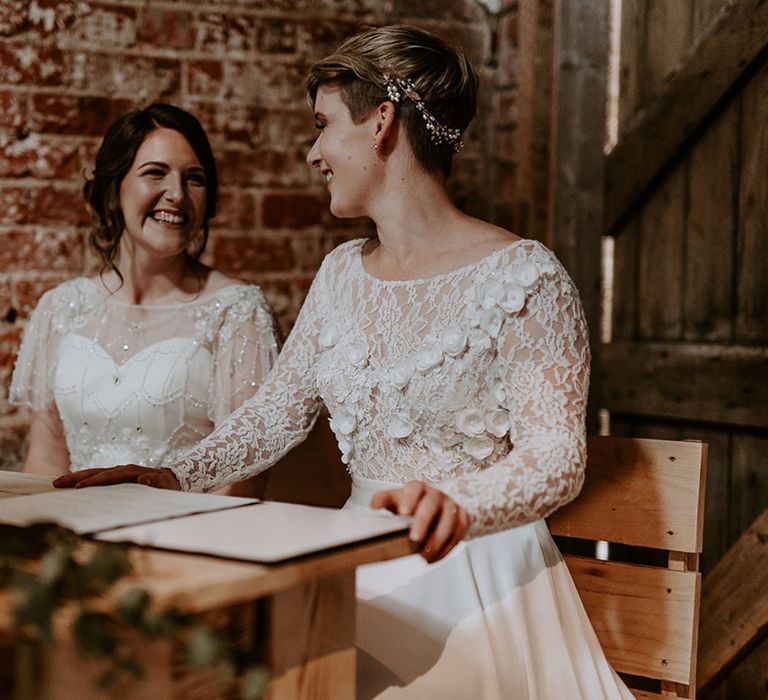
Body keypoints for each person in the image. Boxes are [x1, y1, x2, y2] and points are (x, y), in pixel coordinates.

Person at [56, 27, 635, 699]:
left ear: (381, 123)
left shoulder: (526, 278)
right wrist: (171, 473)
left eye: (323, 126)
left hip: (476, 574)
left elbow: (558, 456)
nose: (313, 153)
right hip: (354, 562)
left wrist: (458, 503)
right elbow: (275, 415)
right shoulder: (339, 275)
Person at [10, 103, 279, 493]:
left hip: (187, 535)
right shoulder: (61, 308)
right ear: (114, 189)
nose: (176, 195)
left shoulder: (237, 312)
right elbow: (45, 459)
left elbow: (242, 481)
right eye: (155, 173)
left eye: (195, 179)